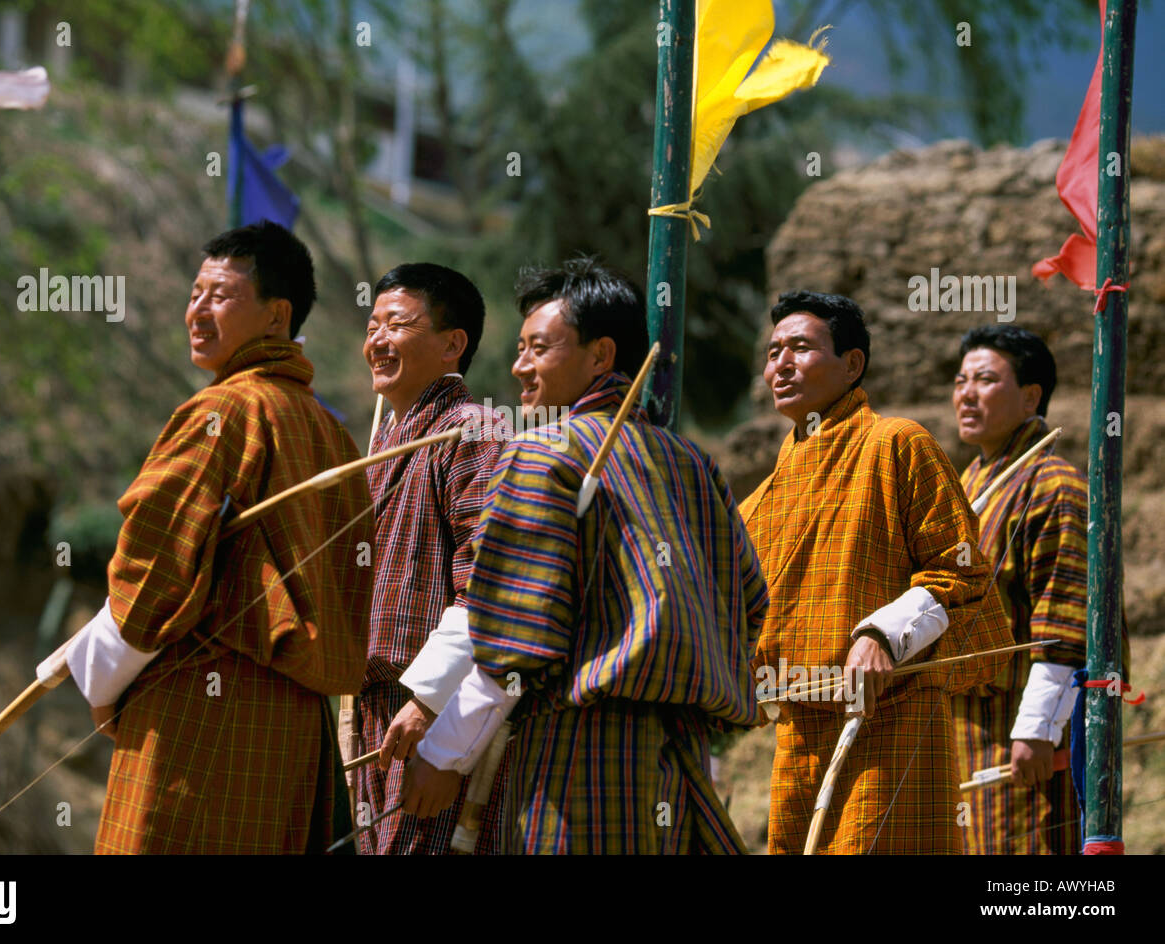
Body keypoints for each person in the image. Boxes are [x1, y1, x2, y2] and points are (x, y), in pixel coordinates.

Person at [401, 257, 769, 854]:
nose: (520, 366)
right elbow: (749, 602)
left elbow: (516, 636)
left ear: (600, 356)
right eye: (519, 348)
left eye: (539, 348)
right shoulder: (693, 464)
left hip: (581, 764)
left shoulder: (543, 453)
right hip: (682, 767)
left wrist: (445, 753)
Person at [52, 221, 373, 854]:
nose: (197, 310)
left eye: (220, 295)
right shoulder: (331, 434)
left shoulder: (225, 410)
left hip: (202, 714)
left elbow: (156, 563)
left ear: (277, 316)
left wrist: (104, 679)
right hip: (291, 731)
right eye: (195, 292)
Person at [739, 290, 1012, 854]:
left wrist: (882, 635)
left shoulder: (897, 444)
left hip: (892, 719)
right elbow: (742, 622)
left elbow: (962, 572)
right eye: (772, 353)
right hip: (798, 738)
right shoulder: (757, 503)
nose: (780, 365)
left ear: (852, 364)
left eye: (800, 348)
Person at [353, 262, 509, 854]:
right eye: (371, 326)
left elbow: (488, 585)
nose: (377, 340)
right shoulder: (388, 441)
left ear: (452, 343)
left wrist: (429, 710)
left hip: (431, 716)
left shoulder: (470, 432)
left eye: (397, 324)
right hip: (379, 711)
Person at [951, 325, 1125, 854]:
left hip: (1020, 733)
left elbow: (1067, 622)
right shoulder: (969, 482)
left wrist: (1035, 730)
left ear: (1030, 397)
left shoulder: (1053, 485)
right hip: (967, 725)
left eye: (985, 379)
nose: (966, 393)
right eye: (960, 380)